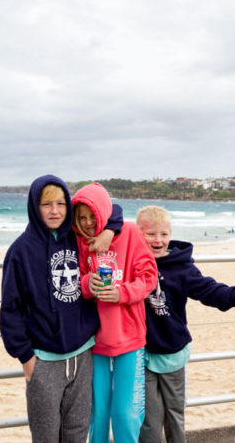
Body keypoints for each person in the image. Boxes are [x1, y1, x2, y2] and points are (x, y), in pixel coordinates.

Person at [0, 175, 123, 443]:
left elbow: (111, 211)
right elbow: (10, 309)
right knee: (46, 436)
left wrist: (109, 231)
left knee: (77, 434)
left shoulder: (75, 236)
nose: (55, 211)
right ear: (34, 206)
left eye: (60, 204)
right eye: (46, 204)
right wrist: (26, 358)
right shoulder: (19, 251)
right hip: (43, 361)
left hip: (83, 354)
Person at [135, 205, 235, 443]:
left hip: (172, 352)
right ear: (137, 234)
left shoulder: (181, 267)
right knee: (148, 419)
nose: (158, 240)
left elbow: (208, 289)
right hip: (140, 354)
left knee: (174, 413)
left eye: (164, 234)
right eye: (150, 234)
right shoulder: (131, 262)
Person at [71, 182, 158, 443]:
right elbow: (78, 280)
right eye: (82, 218)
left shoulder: (129, 233)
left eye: (92, 216)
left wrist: (123, 293)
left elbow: (149, 277)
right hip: (94, 342)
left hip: (129, 339)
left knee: (125, 414)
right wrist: (88, 285)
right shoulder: (79, 241)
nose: (87, 223)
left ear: (103, 212)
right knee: (98, 414)